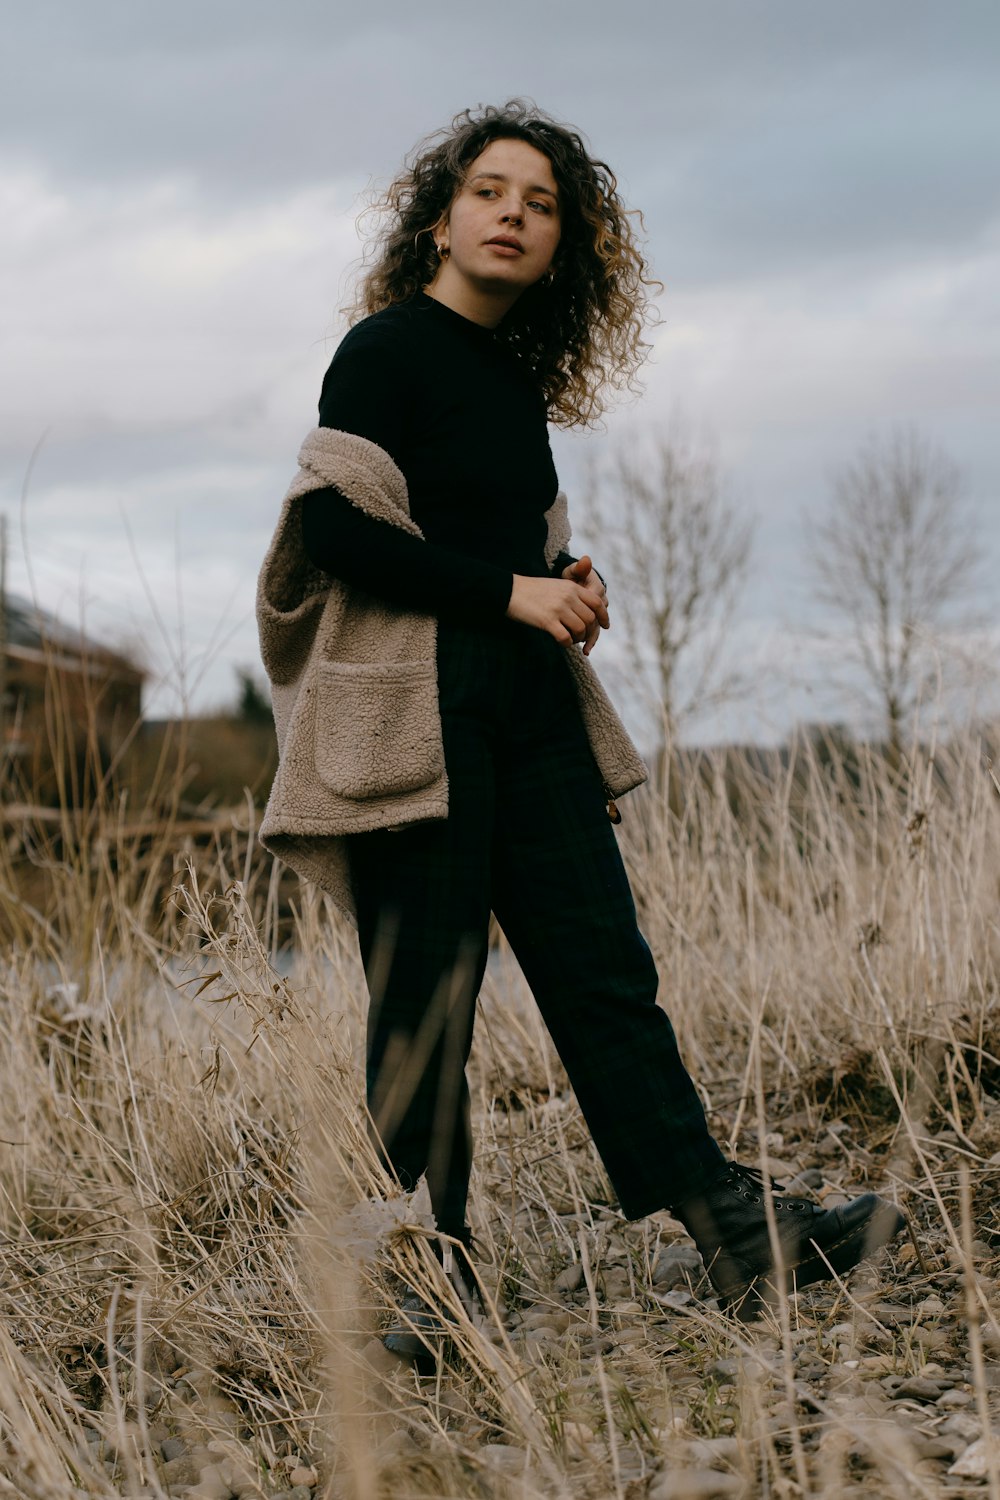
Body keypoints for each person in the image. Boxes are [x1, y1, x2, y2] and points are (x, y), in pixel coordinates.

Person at [256, 101, 904, 1358]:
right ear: (438, 219)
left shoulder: (514, 382)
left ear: (565, 244)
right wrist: (511, 593)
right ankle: (437, 1284)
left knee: (605, 973)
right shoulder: (384, 350)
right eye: (490, 192)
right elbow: (335, 533)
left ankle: (727, 1226)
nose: (513, 214)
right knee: (425, 999)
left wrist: (565, 580)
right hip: (415, 714)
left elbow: (497, 541)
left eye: (541, 203)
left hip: (527, 712)